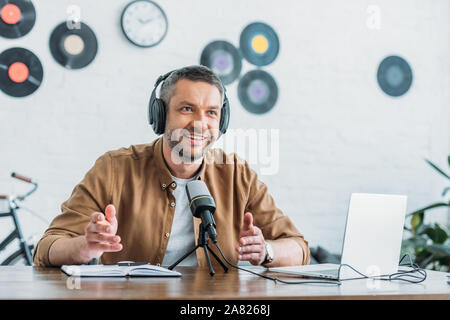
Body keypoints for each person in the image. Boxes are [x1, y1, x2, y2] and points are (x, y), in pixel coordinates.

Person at [33, 65, 310, 268]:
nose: (200, 124)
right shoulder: (114, 169)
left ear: (221, 122)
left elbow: (299, 249)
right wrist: (83, 247)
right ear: (160, 114)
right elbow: (46, 248)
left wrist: (266, 251)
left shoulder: (237, 174)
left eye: (211, 112)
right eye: (186, 109)